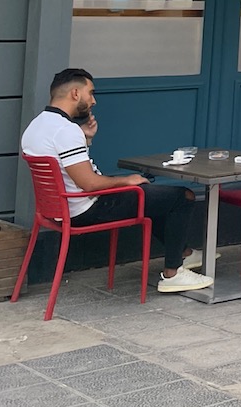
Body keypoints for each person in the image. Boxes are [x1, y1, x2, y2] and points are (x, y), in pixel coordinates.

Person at [20, 68, 212, 293]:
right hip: (86, 209)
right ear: (75, 93)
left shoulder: (36, 127)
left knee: (154, 198)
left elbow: (66, 169)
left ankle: (183, 253)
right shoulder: (66, 131)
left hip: (59, 210)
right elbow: (89, 184)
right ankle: (173, 273)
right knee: (182, 197)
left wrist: (86, 140)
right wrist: (125, 181)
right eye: (90, 93)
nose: (93, 101)